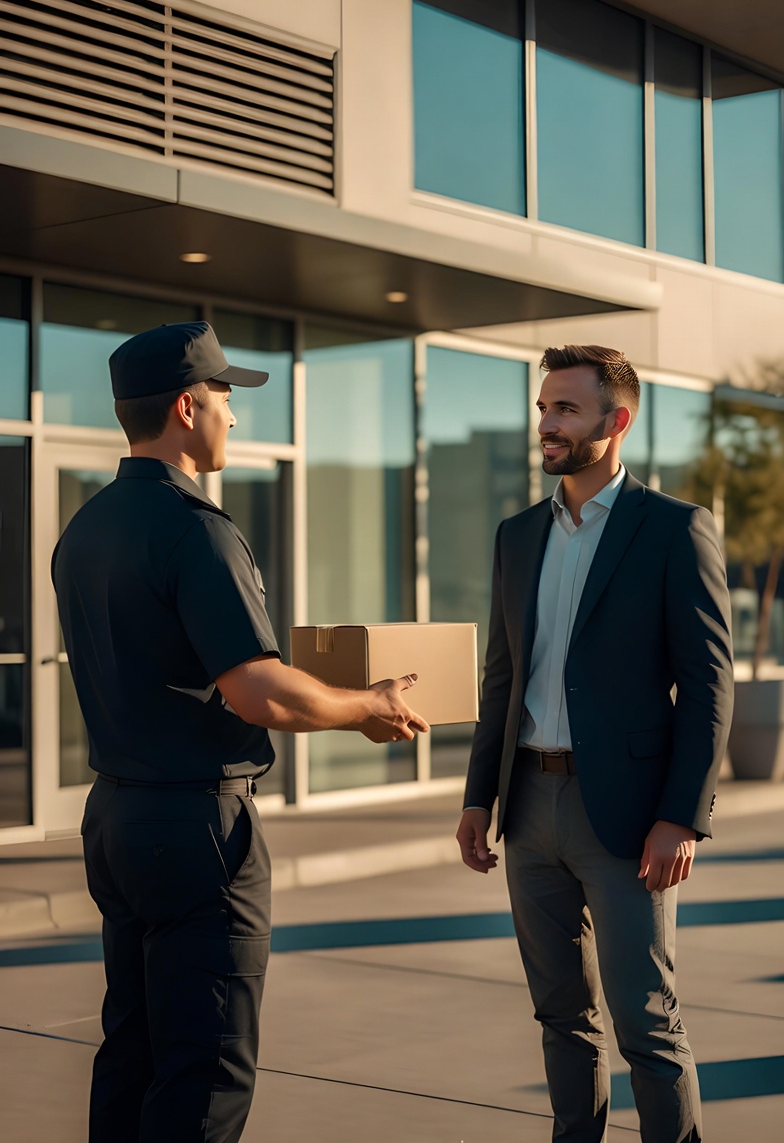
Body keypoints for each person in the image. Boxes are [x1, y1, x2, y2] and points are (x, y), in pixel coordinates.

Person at [52, 321, 428, 1143]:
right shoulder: (197, 530)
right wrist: (366, 702)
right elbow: (260, 692)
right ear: (188, 407)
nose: (234, 417)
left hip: (116, 818)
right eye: (225, 399)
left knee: (135, 1049)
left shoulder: (85, 529)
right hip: (196, 828)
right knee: (206, 1067)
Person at [456, 345, 733, 1143]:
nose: (546, 423)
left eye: (565, 410)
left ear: (615, 424)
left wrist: (682, 815)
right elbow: (500, 679)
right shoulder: (517, 536)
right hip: (529, 806)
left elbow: (710, 685)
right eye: (543, 407)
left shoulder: (676, 530)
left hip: (628, 815)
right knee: (560, 1017)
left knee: (646, 1024)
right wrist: (480, 796)